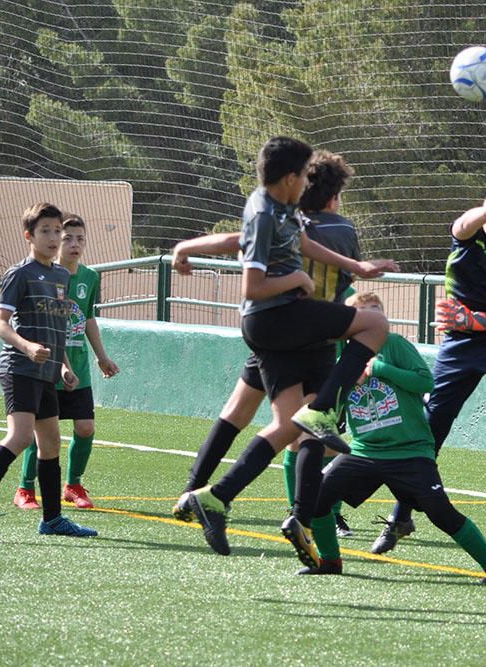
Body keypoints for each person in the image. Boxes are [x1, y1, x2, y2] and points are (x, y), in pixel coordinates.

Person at [175, 136, 396, 565]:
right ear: (292, 178)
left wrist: (355, 267)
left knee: (292, 427)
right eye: (303, 177)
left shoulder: (278, 207)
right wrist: (297, 280)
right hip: (276, 319)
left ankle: (220, 497)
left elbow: (292, 242)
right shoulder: (264, 212)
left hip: (284, 324)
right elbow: (252, 287)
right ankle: (323, 417)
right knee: (375, 324)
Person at [374, 183, 486, 555]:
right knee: (431, 425)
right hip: (458, 347)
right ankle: (400, 514)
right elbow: (460, 225)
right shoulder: (468, 241)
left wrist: (474, 320)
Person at [298, 292, 486, 584]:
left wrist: (380, 369)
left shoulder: (394, 345)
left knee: (441, 513)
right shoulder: (341, 357)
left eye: (377, 311)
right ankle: (330, 561)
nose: (375, 318)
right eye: (365, 312)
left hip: (410, 451)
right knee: (318, 498)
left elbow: (425, 382)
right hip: (364, 451)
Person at [0, 202, 98, 541]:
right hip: (19, 367)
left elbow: (56, 328)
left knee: (50, 442)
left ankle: (52, 519)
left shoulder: (62, 275)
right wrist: (27, 347)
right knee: (20, 437)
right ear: (29, 236)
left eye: (57, 231)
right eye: (45, 231)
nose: (53, 237)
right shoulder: (20, 273)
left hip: (48, 372)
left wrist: (63, 366)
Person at [14, 213, 120, 511]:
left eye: (80, 238)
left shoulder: (90, 277)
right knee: (42, 432)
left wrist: (102, 357)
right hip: (48, 367)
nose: (75, 244)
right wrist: (60, 363)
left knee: (85, 427)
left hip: (80, 368)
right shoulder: (47, 276)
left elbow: (86, 318)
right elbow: (47, 324)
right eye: (68, 238)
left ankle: (73, 485)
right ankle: (25, 488)